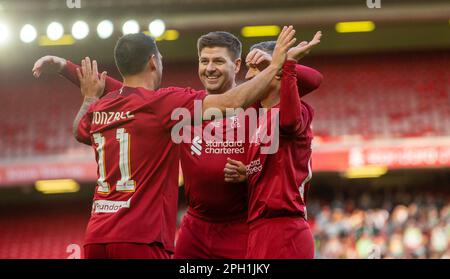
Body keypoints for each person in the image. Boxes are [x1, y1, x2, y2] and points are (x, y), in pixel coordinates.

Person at [32, 29, 322, 259]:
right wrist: (65, 67)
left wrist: (278, 64)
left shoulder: (255, 104)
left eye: (218, 61)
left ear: (237, 65)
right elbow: (127, 94)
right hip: (195, 229)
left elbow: (312, 81)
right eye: (204, 61)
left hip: (241, 228)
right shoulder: (181, 109)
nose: (210, 68)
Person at [224, 32, 322, 259]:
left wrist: (282, 65)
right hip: (259, 228)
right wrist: (247, 173)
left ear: (276, 75)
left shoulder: (299, 110)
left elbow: (289, 120)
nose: (248, 76)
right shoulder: (258, 119)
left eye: (256, 68)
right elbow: (274, 168)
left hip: (285, 228)